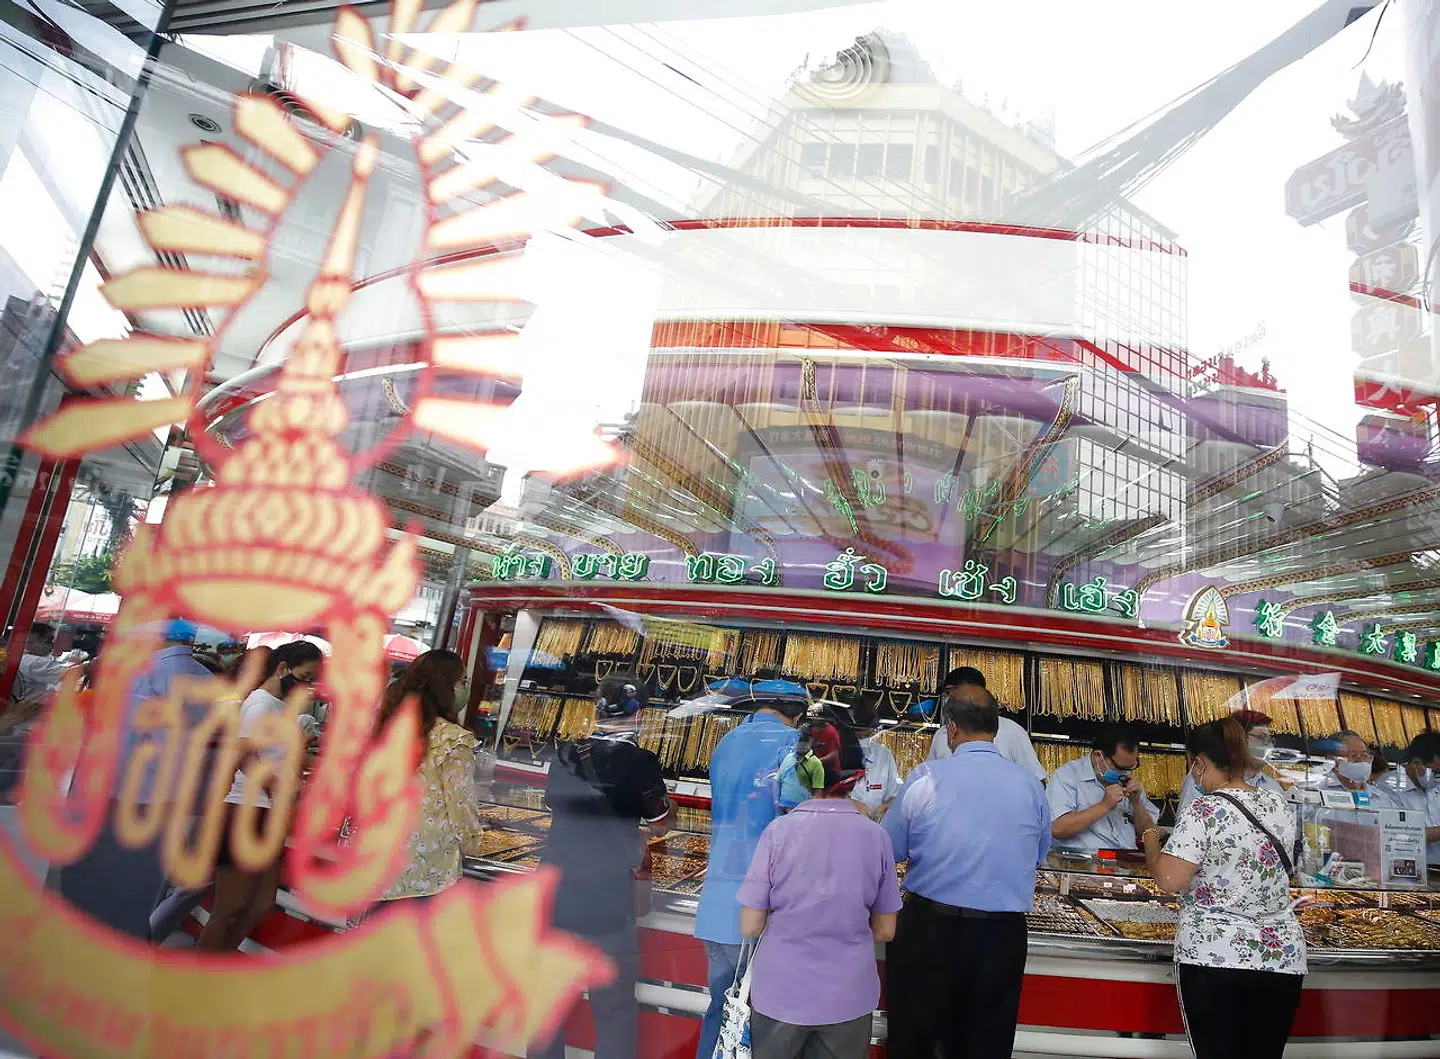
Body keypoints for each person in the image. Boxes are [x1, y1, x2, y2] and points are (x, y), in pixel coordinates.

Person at [883, 684, 1050, 1059]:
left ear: (951, 729)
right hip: (1000, 937)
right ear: (996, 728)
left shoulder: (925, 778)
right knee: (986, 1044)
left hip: (929, 931)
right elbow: (1038, 856)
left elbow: (889, 850)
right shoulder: (1030, 786)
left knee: (916, 1041)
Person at [1142, 718, 1306, 1059]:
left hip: (1215, 955)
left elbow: (1171, 880)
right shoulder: (1278, 805)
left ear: (1200, 763)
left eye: (1191, 766)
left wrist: (1149, 839)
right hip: (1279, 957)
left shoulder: (1203, 809)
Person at [738, 716, 901, 1059]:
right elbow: (885, 930)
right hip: (848, 996)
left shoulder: (778, 832)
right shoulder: (876, 837)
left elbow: (750, 925)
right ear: (857, 775)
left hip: (780, 992)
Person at [534, 674, 671, 1059]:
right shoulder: (641, 762)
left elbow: (553, 804)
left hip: (557, 894)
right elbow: (660, 819)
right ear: (639, 713)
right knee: (613, 1010)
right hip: (608, 901)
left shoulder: (566, 754)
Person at [53, 618, 211, 939]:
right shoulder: (205, 678)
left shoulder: (143, 677)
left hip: (120, 799)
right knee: (137, 893)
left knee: (92, 891)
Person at [694, 691, 805, 1059]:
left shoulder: (725, 741)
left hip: (717, 901)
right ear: (795, 715)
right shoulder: (792, 745)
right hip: (762, 905)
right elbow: (798, 819)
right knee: (755, 1020)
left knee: (720, 1009)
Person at [199, 640, 323, 950]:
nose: (308, 686)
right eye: (306, 677)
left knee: (260, 904)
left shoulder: (280, 706)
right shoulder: (261, 704)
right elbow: (245, 756)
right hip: (247, 808)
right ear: (283, 669)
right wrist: (278, 787)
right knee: (229, 907)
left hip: (269, 810)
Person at [372, 649, 486, 908]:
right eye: (462, 682)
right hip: (426, 869)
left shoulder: (389, 726)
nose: (465, 689)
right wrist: (474, 844)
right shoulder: (454, 739)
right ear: (443, 686)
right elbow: (461, 805)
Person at [1047, 725, 1159, 852]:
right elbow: (1057, 829)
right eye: (1119, 767)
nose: (1124, 773)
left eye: (1130, 767)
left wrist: (1137, 804)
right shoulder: (1067, 776)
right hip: (1082, 863)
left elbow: (1148, 833)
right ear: (1098, 756)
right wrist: (1103, 806)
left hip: (1127, 860)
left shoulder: (1129, 781)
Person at [920, 667, 1045, 781]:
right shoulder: (942, 733)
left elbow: (1036, 780)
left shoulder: (1012, 731)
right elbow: (930, 778)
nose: (949, 698)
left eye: (953, 692)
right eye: (947, 694)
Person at [1178, 708, 1283, 813]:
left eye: (1270, 740)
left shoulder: (1273, 788)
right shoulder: (1202, 780)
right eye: (1262, 737)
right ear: (1238, 739)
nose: (1270, 746)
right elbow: (1187, 822)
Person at [1311, 729, 1399, 808]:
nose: (1361, 760)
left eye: (1364, 755)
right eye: (1354, 755)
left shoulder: (1381, 798)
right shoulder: (1317, 790)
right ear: (1333, 759)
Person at [1393, 732, 1440, 864]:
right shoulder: (1389, 788)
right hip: (1411, 873)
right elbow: (1398, 836)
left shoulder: (1435, 786)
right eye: (1436, 772)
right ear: (1416, 763)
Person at [849, 696, 899, 819]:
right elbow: (824, 796)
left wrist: (887, 807)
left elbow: (895, 795)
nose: (861, 732)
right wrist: (850, 804)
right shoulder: (837, 752)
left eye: (865, 727)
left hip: (875, 827)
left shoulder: (883, 754)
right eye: (857, 728)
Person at [13, 621, 79, 702]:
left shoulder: (20, 657)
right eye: (48, 640)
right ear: (33, 639)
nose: (52, 645)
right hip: (32, 710)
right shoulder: (34, 661)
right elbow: (68, 675)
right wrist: (89, 666)